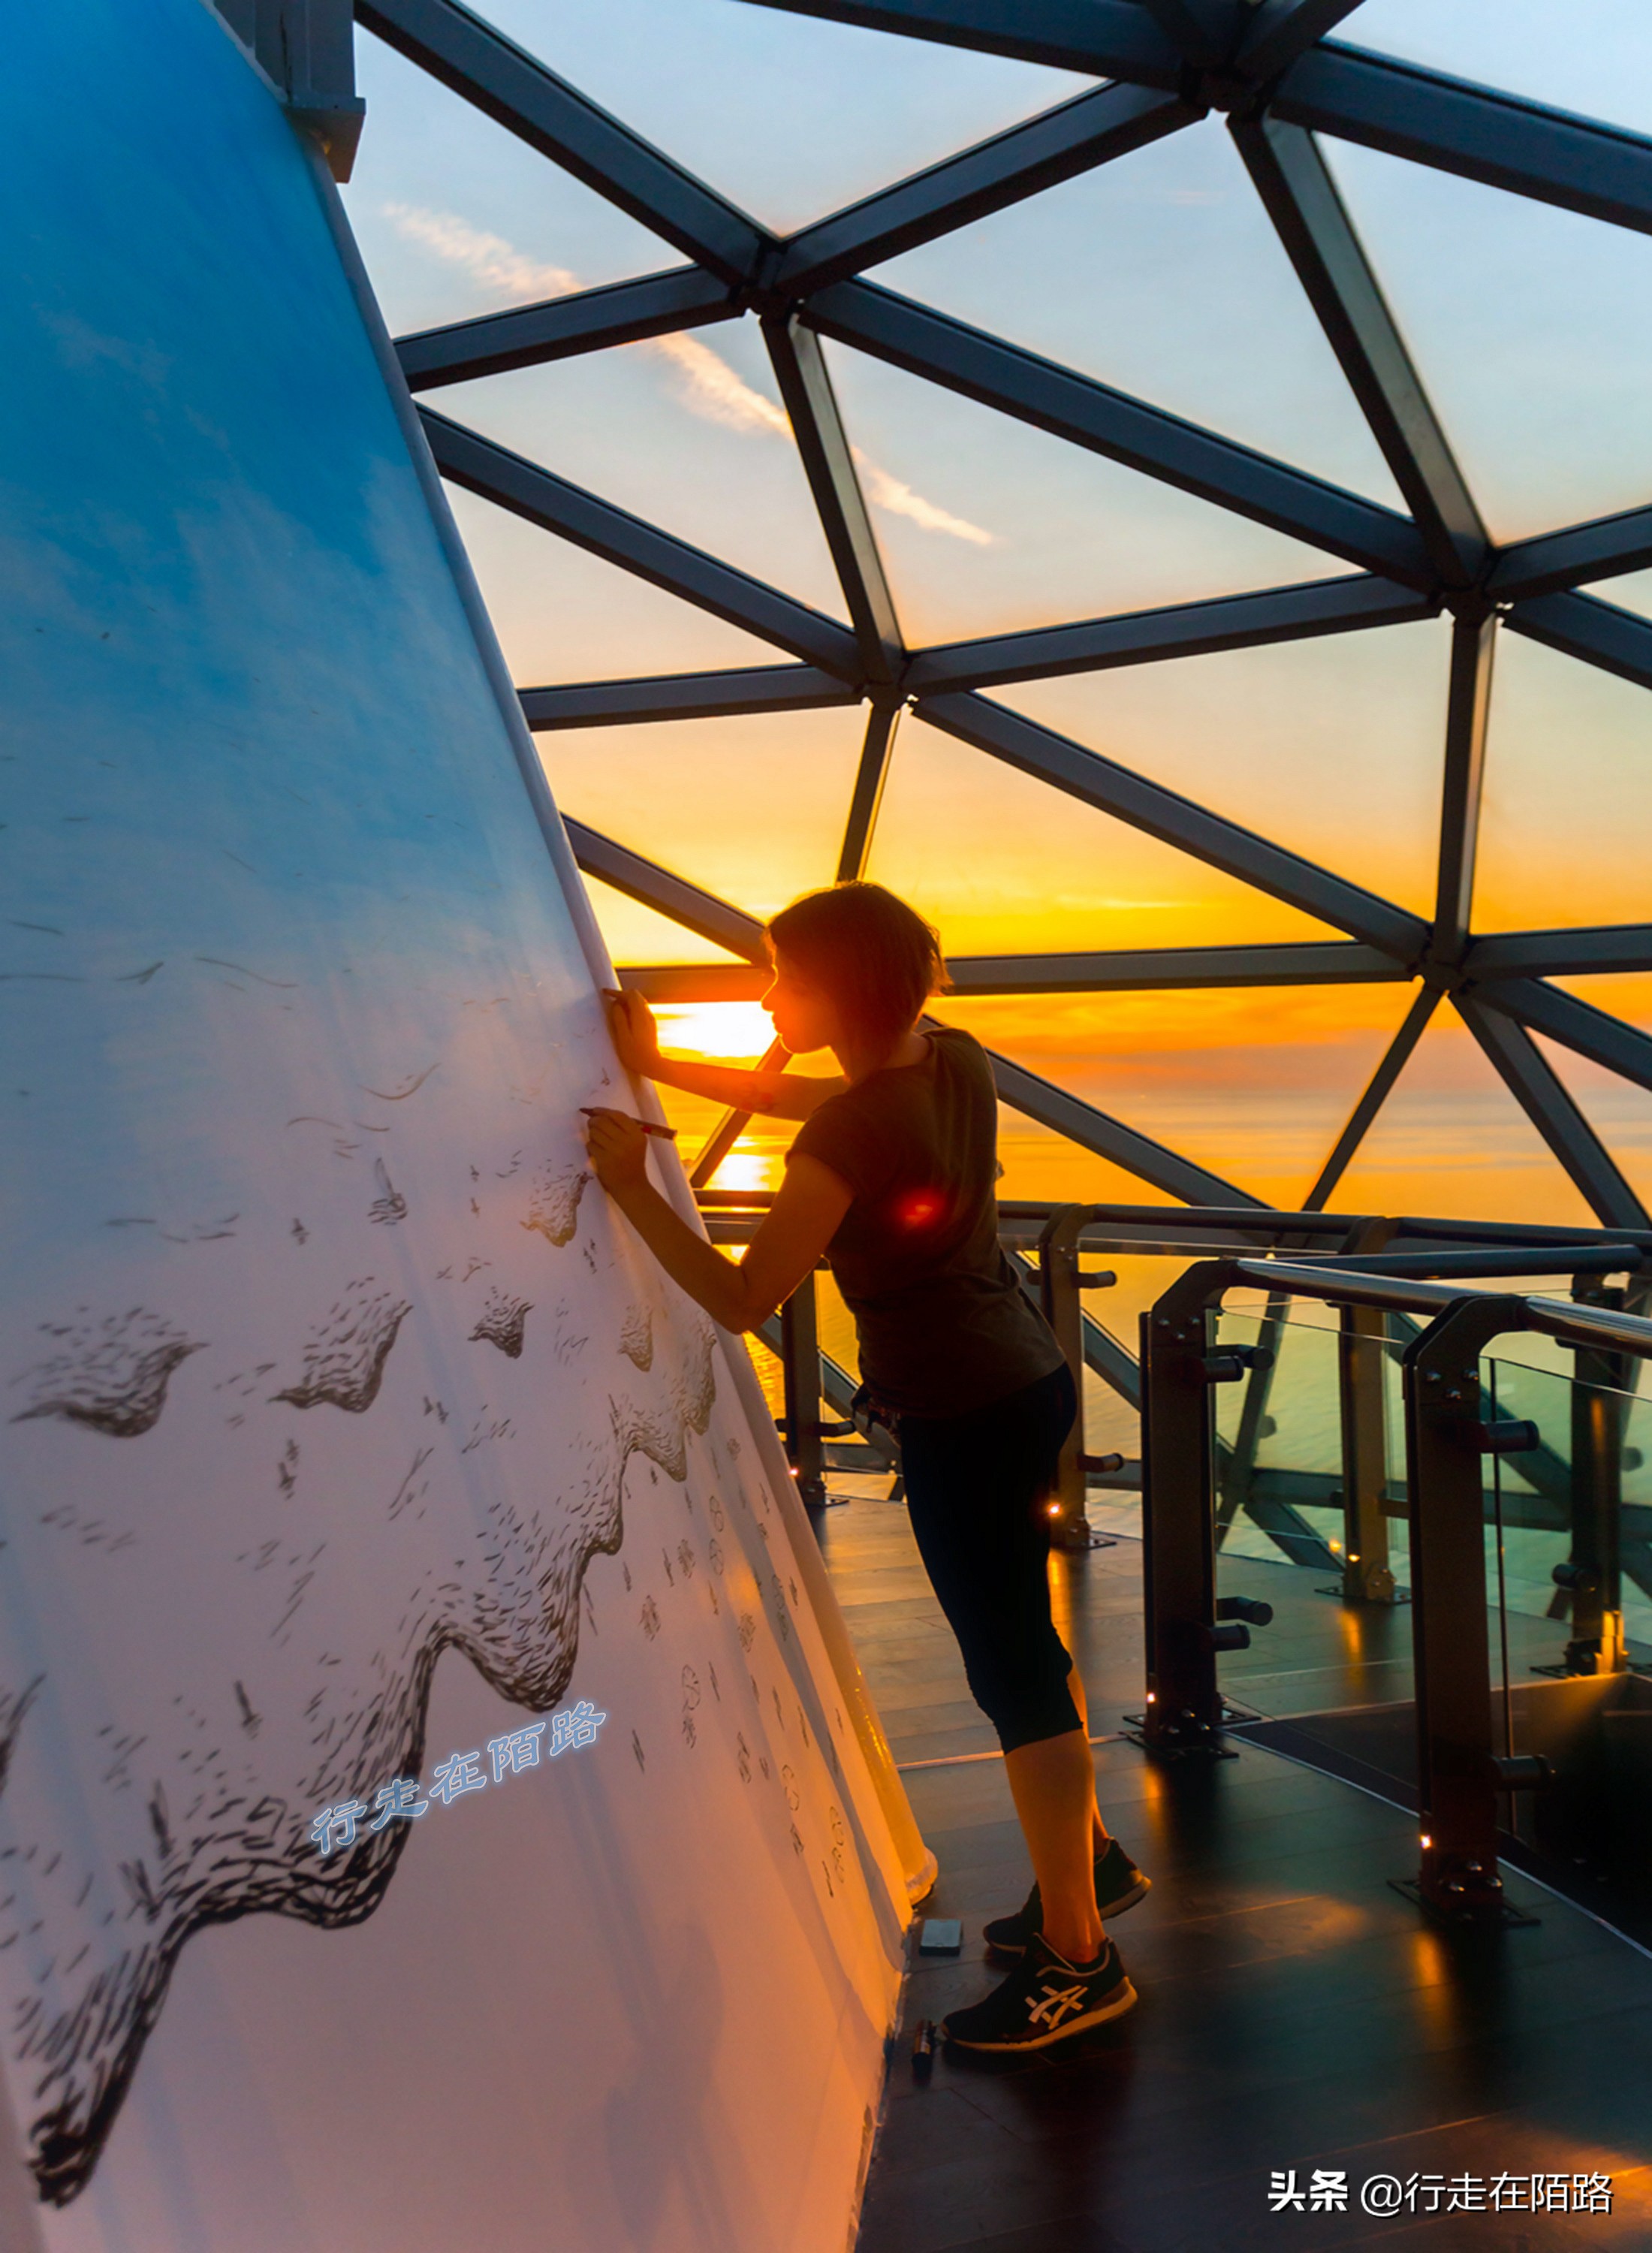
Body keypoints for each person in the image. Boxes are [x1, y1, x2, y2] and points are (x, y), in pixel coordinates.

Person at [586, 881, 1150, 2052]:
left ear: (835, 985)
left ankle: (1082, 1962)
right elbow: (841, 1098)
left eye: (782, 973)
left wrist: (633, 1190)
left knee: (1012, 1671)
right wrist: (674, 1070)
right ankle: (1085, 1867)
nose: (767, 992)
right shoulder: (953, 1059)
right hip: (1028, 1377)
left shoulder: (846, 1135)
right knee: (1030, 1648)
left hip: (960, 1408)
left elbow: (747, 1300)